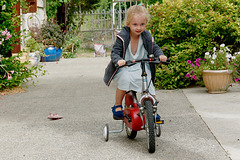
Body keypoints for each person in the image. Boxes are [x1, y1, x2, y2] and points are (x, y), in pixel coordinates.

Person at [103, 4, 167, 120]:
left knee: (149, 83)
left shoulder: (146, 36)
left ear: (146, 24)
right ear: (128, 24)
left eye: (142, 24)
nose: (139, 28)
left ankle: (153, 110)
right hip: (125, 66)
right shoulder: (122, 36)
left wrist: (161, 55)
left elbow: (154, 47)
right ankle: (117, 104)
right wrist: (119, 60)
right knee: (125, 78)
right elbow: (115, 52)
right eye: (135, 24)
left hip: (141, 65)